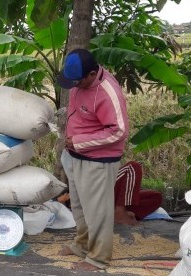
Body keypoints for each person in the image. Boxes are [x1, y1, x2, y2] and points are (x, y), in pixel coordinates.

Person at [57, 48, 129, 271]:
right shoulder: (80, 82)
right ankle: (82, 244)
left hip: (98, 160)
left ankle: (98, 259)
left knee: (97, 211)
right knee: (79, 206)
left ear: (91, 74)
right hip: (75, 154)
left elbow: (119, 131)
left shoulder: (108, 92)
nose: (75, 86)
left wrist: (79, 141)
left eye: (78, 81)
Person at [58, 161, 163, 225]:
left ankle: (120, 213)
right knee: (132, 167)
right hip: (97, 197)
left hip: (107, 204)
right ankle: (120, 213)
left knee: (156, 197)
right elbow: (61, 201)